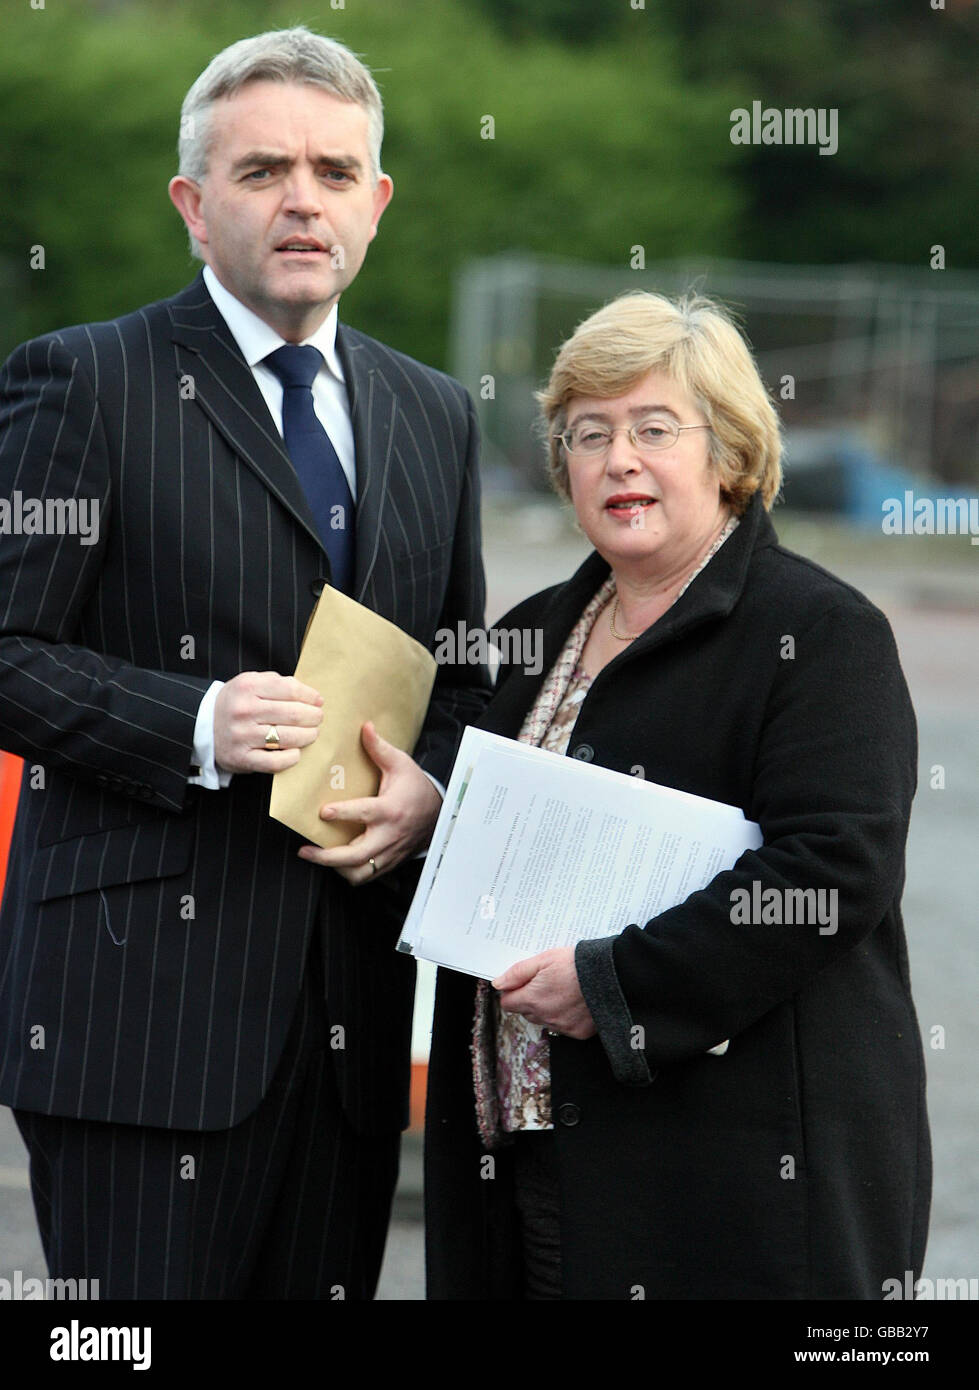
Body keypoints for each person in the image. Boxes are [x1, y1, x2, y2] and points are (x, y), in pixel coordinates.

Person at [0, 27, 490, 1299]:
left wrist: (431, 793)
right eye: (264, 169)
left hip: (350, 1028)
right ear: (193, 203)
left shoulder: (434, 412)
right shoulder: (85, 380)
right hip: (135, 1023)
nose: (301, 200)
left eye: (335, 172)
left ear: (376, 204)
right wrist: (197, 722)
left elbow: (465, 673)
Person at [424, 290, 931, 1300]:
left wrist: (614, 982)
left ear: (731, 452)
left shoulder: (820, 634)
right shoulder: (531, 635)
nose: (617, 459)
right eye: (587, 432)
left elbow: (828, 872)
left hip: (719, 1181)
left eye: (654, 429)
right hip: (522, 1156)